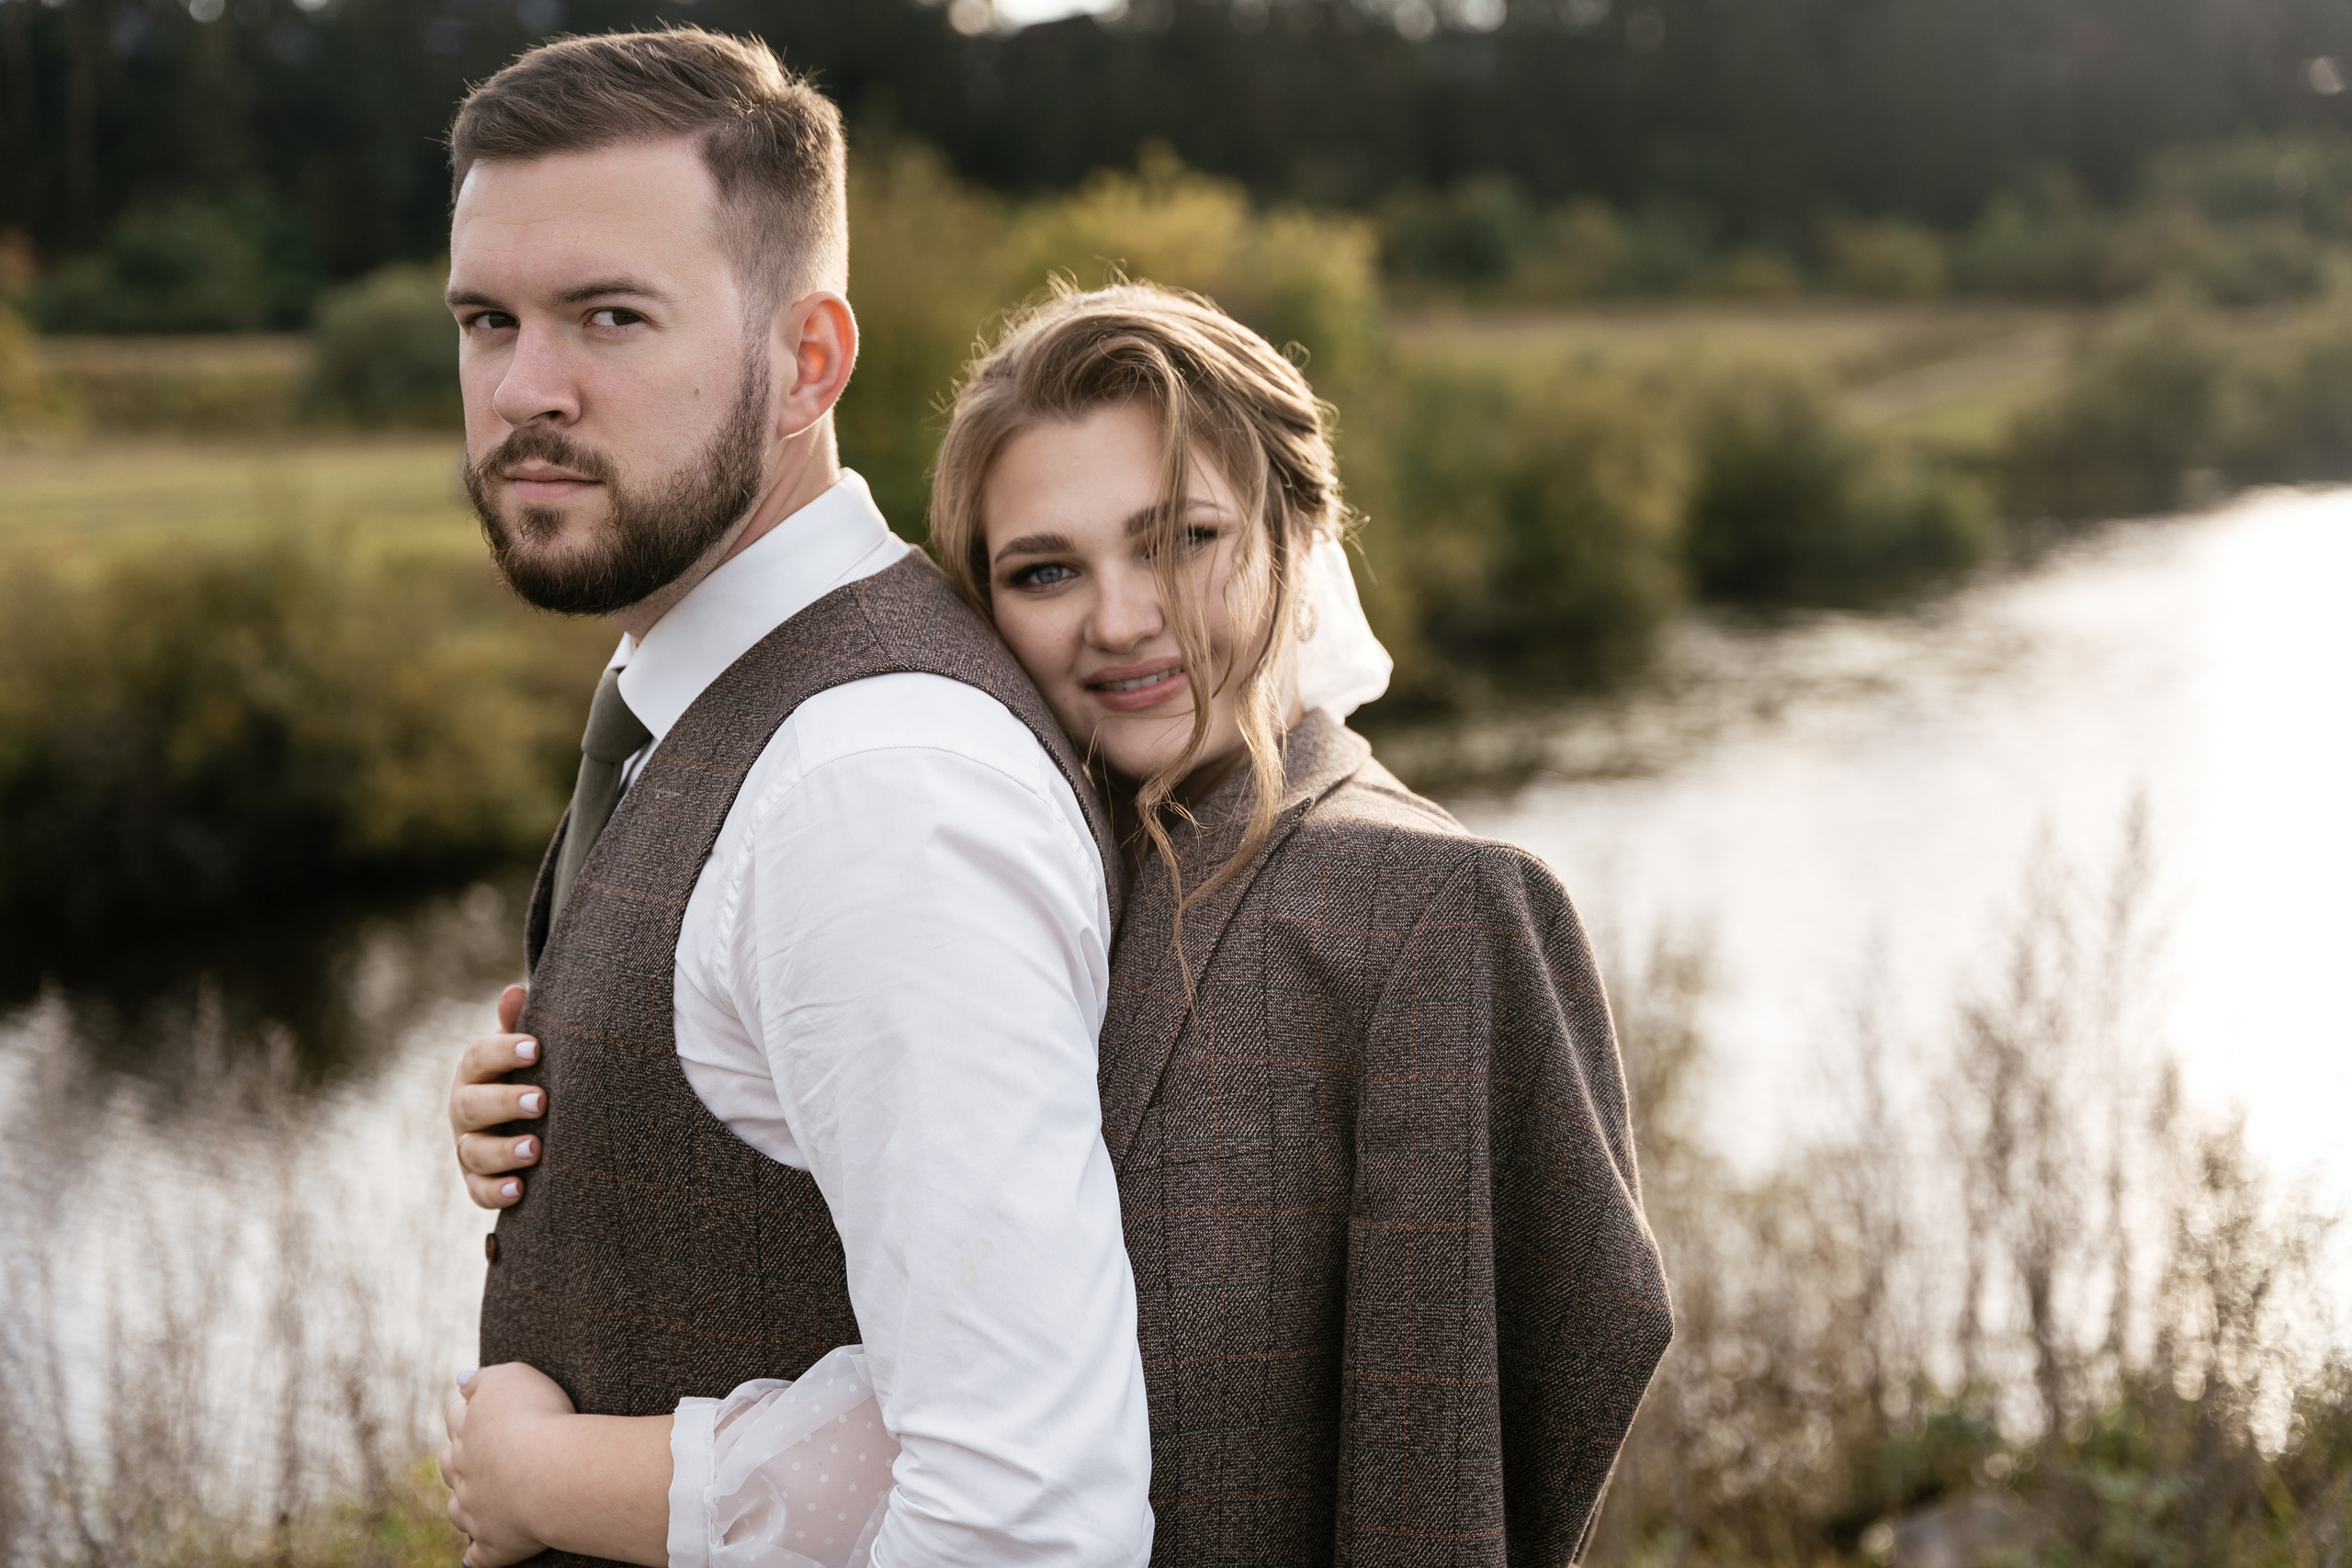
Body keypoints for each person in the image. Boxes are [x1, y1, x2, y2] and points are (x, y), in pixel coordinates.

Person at [453, 277, 1672, 1562]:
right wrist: (588, 1110)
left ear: (1299, 529)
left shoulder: (1431, 912)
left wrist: (550, 1479)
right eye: (1045, 571)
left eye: (1184, 539)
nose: (1123, 621)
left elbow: (1448, 1478)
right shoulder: (1000, 867)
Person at [430, 27, 1154, 1568]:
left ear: (809, 362)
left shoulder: (874, 794)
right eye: (487, 320)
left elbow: (1027, 1513)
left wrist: (555, 1486)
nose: (524, 390)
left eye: (610, 317)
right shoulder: (695, 679)